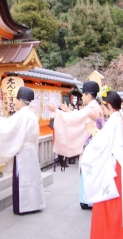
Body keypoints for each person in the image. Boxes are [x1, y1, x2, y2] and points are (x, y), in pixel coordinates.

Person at [81, 89, 123, 239]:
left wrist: (92, 130)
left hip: (113, 167)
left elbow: (102, 144)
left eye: (102, 105)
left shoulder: (114, 120)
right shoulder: (121, 116)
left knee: (108, 202)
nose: (101, 108)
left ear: (108, 104)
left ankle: (109, 234)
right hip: (120, 165)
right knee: (118, 205)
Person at [0, 86, 46, 215]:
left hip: (23, 153)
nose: (14, 102)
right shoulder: (31, 114)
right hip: (30, 151)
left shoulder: (22, 114)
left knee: (22, 180)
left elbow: (5, 128)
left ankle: (24, 206)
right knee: (32, 179)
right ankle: (35, 203)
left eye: (15, 99)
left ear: (21, 101)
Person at [46, 81, 103, 210]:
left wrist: (58, 111)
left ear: (88, 95)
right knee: (87, 171)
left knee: (87, 171)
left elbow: (76, 119)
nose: (82, 97)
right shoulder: (93, 107)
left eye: (83, 94)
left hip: (92, 146)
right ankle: (87, 199)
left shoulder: (92, 108)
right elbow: (77, 117)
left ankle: (87, 199)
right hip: (91, 145)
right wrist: (66, 112)